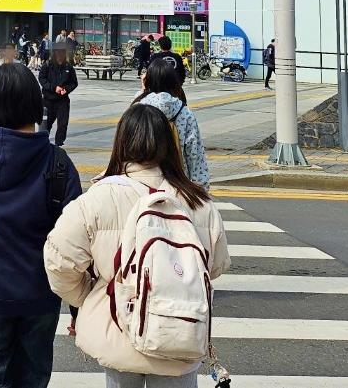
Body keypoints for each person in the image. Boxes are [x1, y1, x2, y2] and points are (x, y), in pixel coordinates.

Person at [43, 104, 230, 388]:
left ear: (121, 142)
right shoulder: (199, 202)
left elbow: (58, 259)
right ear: (169, 145)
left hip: (119, 330)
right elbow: (215, 266)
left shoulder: (99, 198)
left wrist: (86, 297)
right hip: (180, 333)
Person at [0, 63, 82, 388]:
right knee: (31, 380)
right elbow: (78, 244)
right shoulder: (59, 163)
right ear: (35, 103)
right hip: (39, 294)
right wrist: (78, 307)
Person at [135, 59, 209, 190]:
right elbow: (195, 154)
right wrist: (202, 189)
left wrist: (143, 90)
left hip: (142, 184)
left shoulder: (138, 109)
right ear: (174, 82)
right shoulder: (184, 112)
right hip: (177, 183)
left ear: (148, 81)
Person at [39, 43, 78, 147]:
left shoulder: (68, 66)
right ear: (55, 52)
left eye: (62, 52)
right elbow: (42, 79)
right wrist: (53, 88)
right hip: (48, 100)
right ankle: (43, 144)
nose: (60, 54)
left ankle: (59, 144)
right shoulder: (47, 65)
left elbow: (74, 82)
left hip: (63, 100)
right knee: (46, 124)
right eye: (58, 52)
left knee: (62, 125)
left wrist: (67, 89)